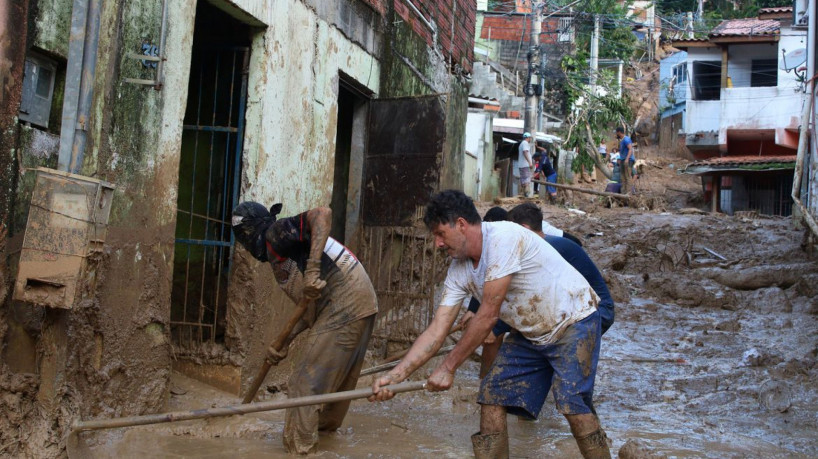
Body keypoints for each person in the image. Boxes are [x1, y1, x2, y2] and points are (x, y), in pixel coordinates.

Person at [369, 190, 611, 459]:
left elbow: (488, 315)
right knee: (492, 395)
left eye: (440, 234)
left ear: (461, 224)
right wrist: (395, 376)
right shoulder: (459, 270)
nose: (437, 244)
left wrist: (448, 368)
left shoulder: (502, 238)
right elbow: (437, 329)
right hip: (531, 333)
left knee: (572, 403)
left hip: (574, 321)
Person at [231, 202, 377, 455]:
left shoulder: (274, 234)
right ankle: (325, 440)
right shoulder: (284, 251)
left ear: (249, 233)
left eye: (243, 240)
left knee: (302, 383)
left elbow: (322, 214)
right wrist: (284, 342)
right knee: (335, 384)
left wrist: (312, 270)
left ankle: (301, 451)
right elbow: (310, 311)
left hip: (345, 300)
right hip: (361, 301)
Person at [615, 127, 635, 195]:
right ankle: (623, 193)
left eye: (617, 133)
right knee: (623, 177)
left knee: (627, 177)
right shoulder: (622, 141)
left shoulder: (626, 139)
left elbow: (630, 149)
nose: (616, 134)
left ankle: (628, 193)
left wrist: (627, 159)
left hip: (628, 160)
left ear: (619, 132)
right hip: (623, 160)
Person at [518, 132, 535, 197]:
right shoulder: (525, 143)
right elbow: (525, 152)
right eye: (530, 137)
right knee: (527, 180)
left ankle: (523, 194)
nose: (530, 139)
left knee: (523, 180)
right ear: (528, 137)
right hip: (525, 165)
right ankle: (526, 194)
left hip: (521, 165)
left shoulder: (522, 144)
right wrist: (529, 162)